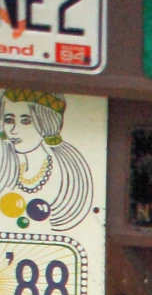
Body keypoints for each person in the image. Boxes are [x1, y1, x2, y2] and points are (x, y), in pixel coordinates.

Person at [0, 91, 94, 229]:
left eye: (25, 121)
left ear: (47, 123)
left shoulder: (64, 175)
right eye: (9, 120)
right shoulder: (5, 167)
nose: (14, 130)